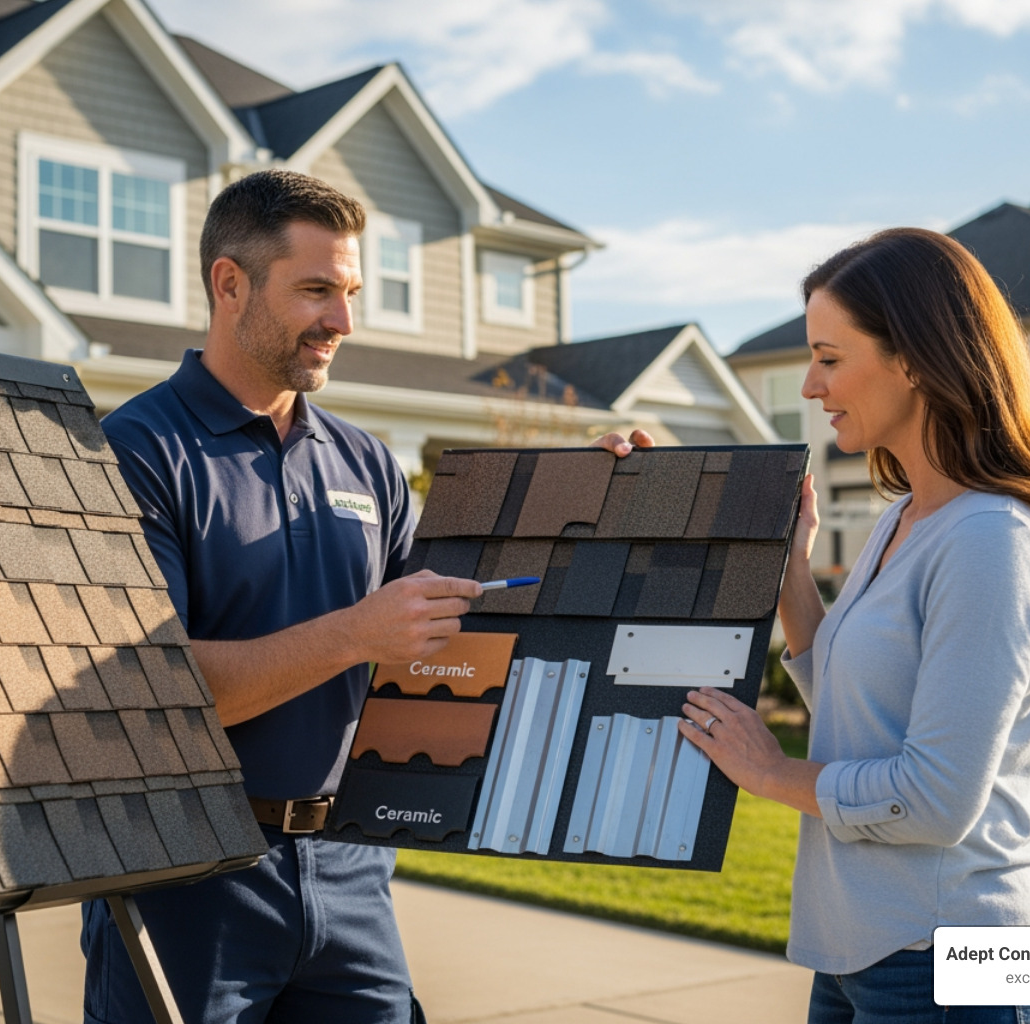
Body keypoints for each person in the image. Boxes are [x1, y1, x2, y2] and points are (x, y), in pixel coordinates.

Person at [83, 168, 650, 1024]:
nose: (342, 321)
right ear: (228, 284)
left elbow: (447, 622)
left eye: (349, 292)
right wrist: (355, 634)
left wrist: (581, 496)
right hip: (185, 875)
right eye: (315, 290)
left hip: (348, 874)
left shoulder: (366, 463)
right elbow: (152, 692)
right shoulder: (135, 452)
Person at [679, 228, 1030, 1024]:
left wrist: (772, 774)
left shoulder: (991, 540)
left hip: (947, 959)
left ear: (912, 358)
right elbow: (861, 717)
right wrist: (790, 574)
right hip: (859, 949)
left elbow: (935, 800)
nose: (811, 385)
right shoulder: (904, 520)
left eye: (829, 357)